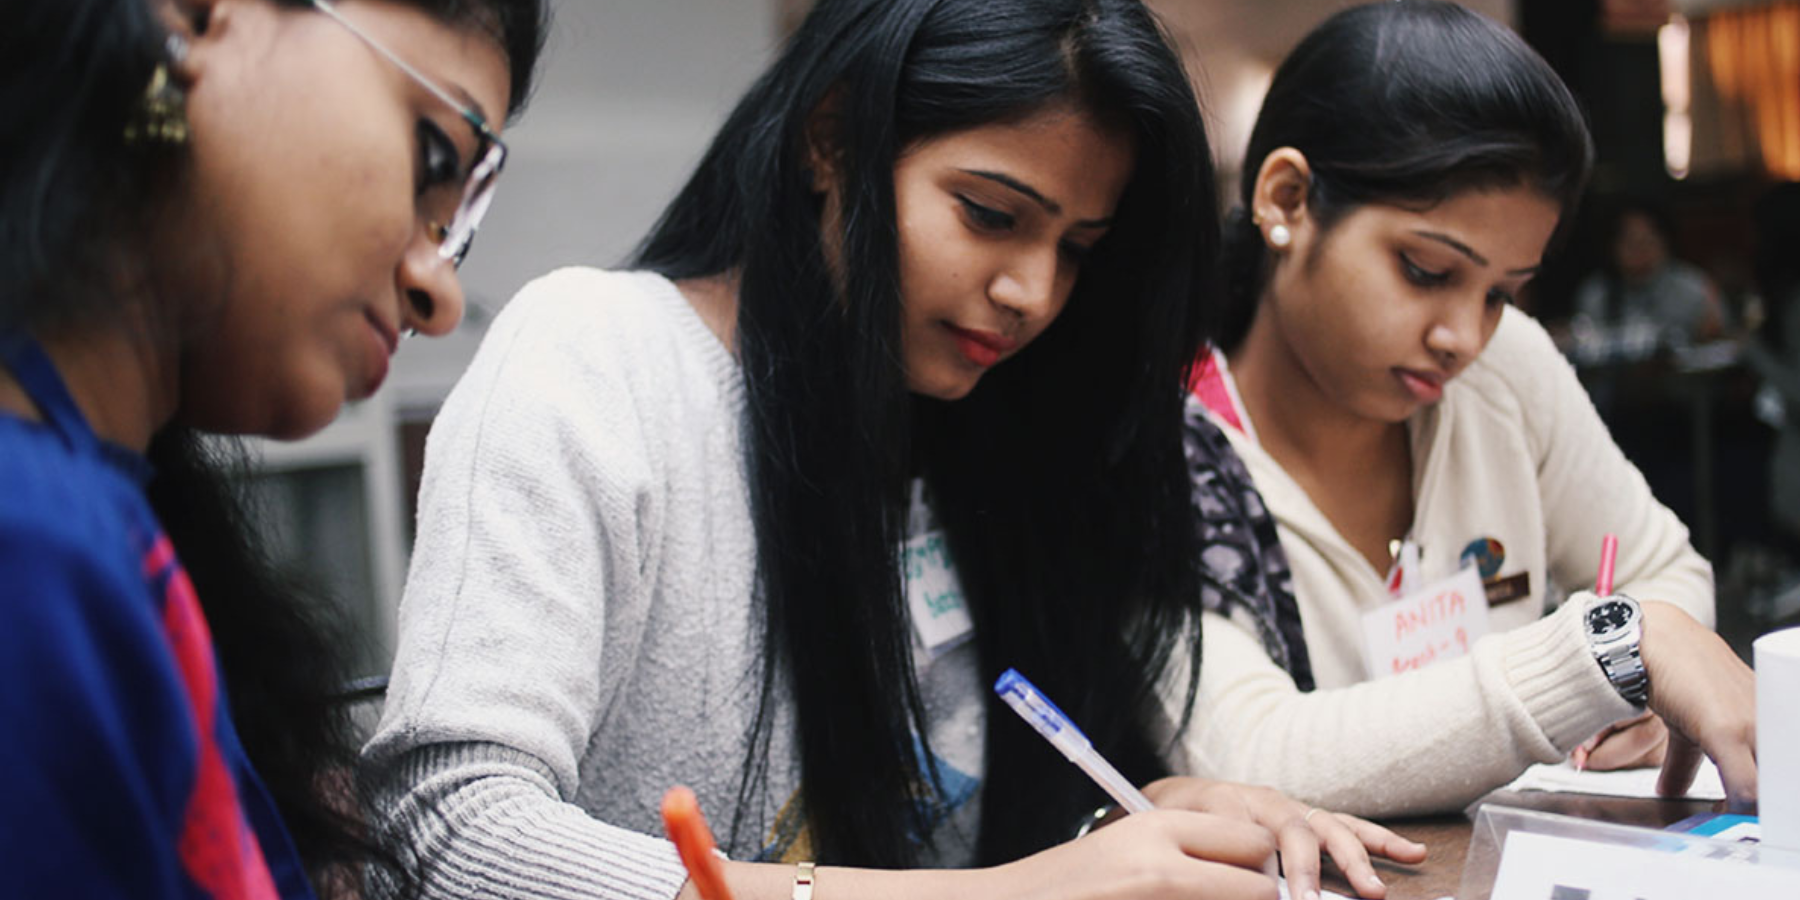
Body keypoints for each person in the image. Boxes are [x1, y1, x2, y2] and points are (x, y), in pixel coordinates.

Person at [361, 1, 1424, 899]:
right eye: (991, 213)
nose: (1033, 295)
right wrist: (1025, 891)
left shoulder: (986, 422)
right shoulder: (599, 361)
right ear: (832, 138)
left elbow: (952, 837)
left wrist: (1126, 820)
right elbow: (453, 830)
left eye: (1078, 251)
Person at [0, 0, 544, 896]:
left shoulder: (108, 524)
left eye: (453, 224)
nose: (437, 292)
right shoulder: (33, 551)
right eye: (435, 159)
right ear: (201, 15)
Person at [1172, 0, 1757, 819]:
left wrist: (1639, 687)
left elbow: (1666, 571)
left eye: (1501, 293)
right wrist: (1601, 657)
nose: (1462, 337)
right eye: (1424, 269)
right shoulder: (1169, 446)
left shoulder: (1505, 367)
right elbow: (1248, 754)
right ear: (1287, 198)